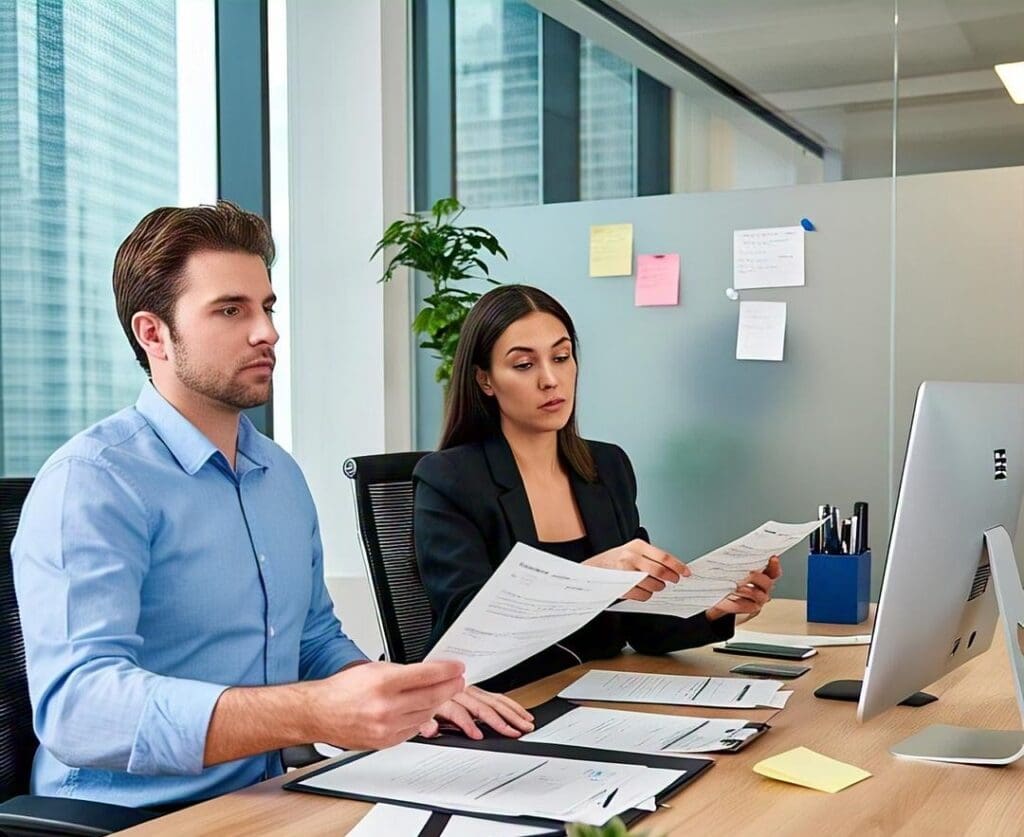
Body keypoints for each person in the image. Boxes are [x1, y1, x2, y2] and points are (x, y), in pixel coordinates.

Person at [11, 202, 533, 811]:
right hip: (130, 819)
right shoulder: (94, 482)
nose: (267, 332)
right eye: (231, 310)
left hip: (267, 795)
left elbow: (313, 640)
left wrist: (397, 693)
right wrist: (309, 711)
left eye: (267, 307)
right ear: (152, 334)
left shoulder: (278, 474)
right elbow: (79, 710)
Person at [414, 284, 781, 692]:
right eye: (523, 365)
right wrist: (592, 575)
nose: (551, 380)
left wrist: (716, 609)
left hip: (597, 694)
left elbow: (640, 624)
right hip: (506, 698)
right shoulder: (449, 479)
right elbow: (476, 630)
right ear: (485, 380)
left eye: (561, 357)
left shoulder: (606, 467)